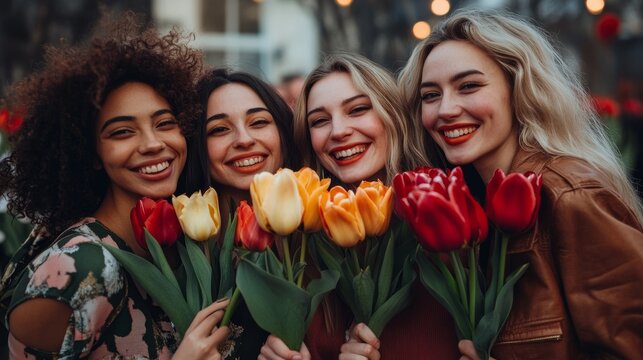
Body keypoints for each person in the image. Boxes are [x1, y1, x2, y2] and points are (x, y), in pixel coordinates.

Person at [398, 9, 643, 359]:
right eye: (430, 95)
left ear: (518, 88)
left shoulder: (569, 194)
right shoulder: (464, 202)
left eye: (469, 86)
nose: (446, 109)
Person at [0, 14, 230, 358]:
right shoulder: (83, 266)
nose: (153, 144)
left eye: (164, 123)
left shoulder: (178, 247)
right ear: (92, 154)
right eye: (122, 131)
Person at [259, 53, 460, 360]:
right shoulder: (301, 250)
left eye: (358, 110)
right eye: (320, 121)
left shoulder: (443, 218)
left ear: (391, 115)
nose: (338, 131)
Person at [180, 68, 301, 358]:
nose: (244, 140)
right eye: (219, 129)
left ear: (283, 132)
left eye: (259, 122)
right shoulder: (175, 256)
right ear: (198, 145)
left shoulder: (317, 245)